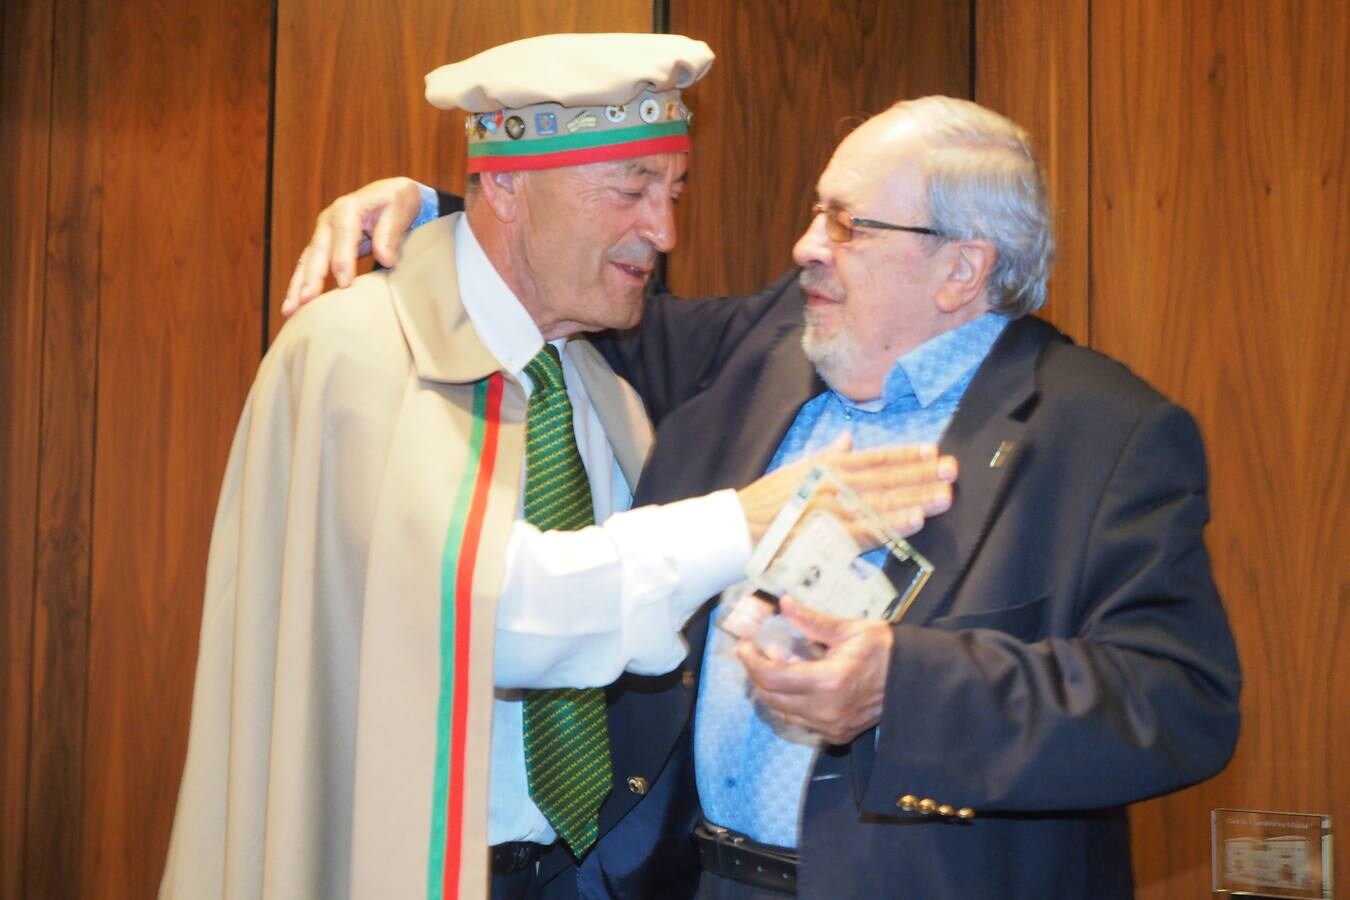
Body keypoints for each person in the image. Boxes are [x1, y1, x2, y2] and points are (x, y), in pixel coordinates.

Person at [292, 95, 1242, 898]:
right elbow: (598, 293)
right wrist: (449, 213)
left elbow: (1180, 700)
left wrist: (900, 690)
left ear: (964, 268)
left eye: (847, 224)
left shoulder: (1104, 436)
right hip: (689, 878)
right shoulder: (767, 345)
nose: (804, 249)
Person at [160, 35, 958, 900]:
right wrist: (743, 523)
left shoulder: (599, 367)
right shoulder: (358, 352)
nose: (665, 230)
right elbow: (489, 616)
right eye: (633, 189)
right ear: (505, 184)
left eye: (675, 190)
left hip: (588, 873)